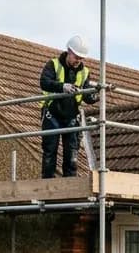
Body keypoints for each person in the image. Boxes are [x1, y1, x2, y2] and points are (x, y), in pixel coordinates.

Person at [39, 35, 98, 178]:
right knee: (50, 151)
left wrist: (96, 95)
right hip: (52, 113)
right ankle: (47, 185)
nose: (78, 60)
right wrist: (62, 87)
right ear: (69, 51)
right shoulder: (53, 65)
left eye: (81, 58)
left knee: (72, 154)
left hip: (71, 115)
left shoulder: (84, 72)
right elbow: (44, 82)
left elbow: (87, 96)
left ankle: (70, 185)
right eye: (76, 56)